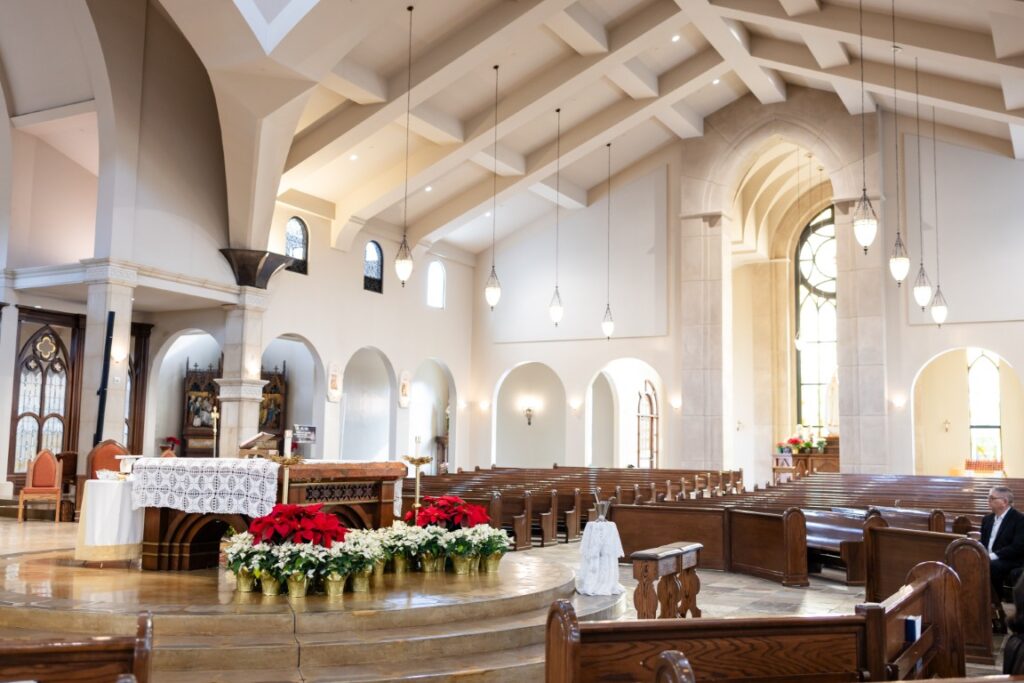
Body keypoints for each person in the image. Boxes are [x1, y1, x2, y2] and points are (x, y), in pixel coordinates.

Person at [981, 486, 1024, 632]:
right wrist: (980, 554)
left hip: (1011, 559)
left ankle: (996, 606)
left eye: (992, 498)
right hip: (988, 558)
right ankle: (984, 608)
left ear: (1004, 502)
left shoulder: (1019, 519)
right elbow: (982, 543)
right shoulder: (987, 519)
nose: (988, 501)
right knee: (975, 565)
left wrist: (991, 556)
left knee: (992, 566)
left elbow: (1018, 547)